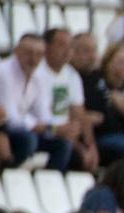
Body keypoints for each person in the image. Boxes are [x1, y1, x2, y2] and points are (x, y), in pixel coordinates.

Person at [0, 33, 73, 172]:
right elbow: (9, 118)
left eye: (39, 54)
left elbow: (43, 114)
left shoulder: (39, 75)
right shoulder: (3, 73)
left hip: (18, 127)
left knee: (63, 144)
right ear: (17, 52)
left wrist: (57, 129)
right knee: (29, 140)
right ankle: (4, 173)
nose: (33, 59)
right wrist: (50, 128)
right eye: (29, 53)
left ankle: (45, 182)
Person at [37, 27, 98, 171]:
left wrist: (90, 146)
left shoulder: (72, 76)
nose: (67, 51)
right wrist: (62, 132)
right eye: (61, 45)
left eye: (70, 46)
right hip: (42, 130)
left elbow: (79, 115)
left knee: (84, 156)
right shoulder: (37, 73)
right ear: (46, 47)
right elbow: (35, 118)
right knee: (64, 146)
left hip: (64, 133)